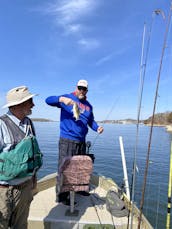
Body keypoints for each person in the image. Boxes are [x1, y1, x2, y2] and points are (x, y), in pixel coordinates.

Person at [45, 79, 103, 205]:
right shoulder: (67, 97)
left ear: (87, 90)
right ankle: (62, 195)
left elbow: (91, 121)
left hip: (81, 141)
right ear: (76, 88)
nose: (81, 90)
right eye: (79, 88)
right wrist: (60, 99)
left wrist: (97, 127)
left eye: (84, 88)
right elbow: (48, 100)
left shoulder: (88, 106)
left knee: (81, 167)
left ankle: (80, 189)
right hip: (67, 140)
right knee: (64, 169)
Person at [0, 86, 42, 229]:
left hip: (25, 188)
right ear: (18, 105)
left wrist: (34, 178)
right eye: (30, 101)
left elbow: (33, 153)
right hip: (4, 191)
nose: (33, 104)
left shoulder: (29, 123)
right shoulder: (1, 124)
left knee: (21, 226)